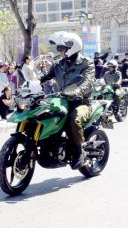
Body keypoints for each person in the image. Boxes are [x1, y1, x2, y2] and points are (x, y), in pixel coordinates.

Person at [40, 32, 95, 169]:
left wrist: (76, 92)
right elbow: (45, 77)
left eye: (61, 48)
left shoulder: (86, 63)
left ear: (72, 47)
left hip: (81, 101)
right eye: (58, 48)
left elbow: (87, 83)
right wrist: (31, 84)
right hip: (62, 101)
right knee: (44, 115)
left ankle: (79, 152)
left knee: (74, 118)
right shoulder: (58, 64)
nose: (59, 51)